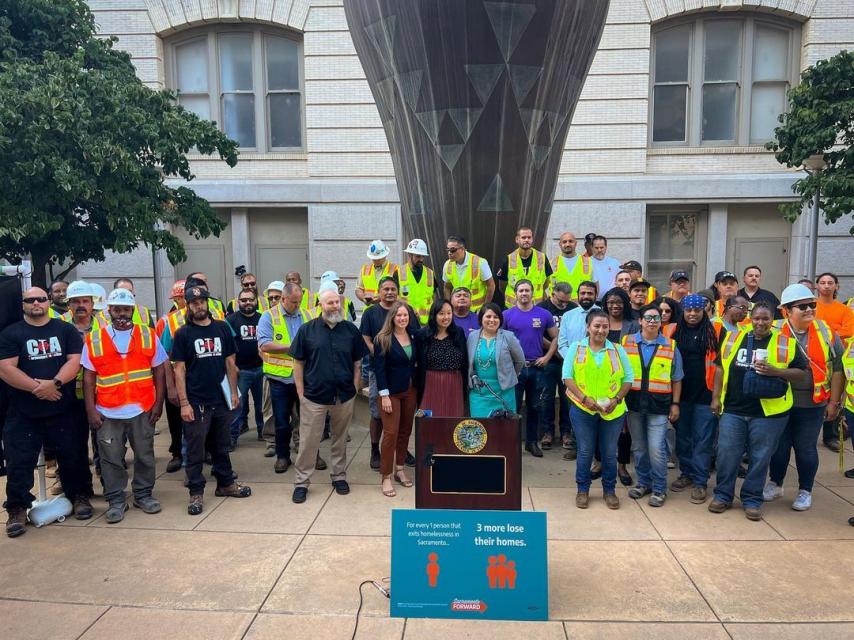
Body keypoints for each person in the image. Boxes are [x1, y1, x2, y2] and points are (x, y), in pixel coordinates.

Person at [0, 287, 89, 537]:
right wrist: (39, 388)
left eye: (41, 299)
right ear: (23, 305)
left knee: (74, 456)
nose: (36, 303)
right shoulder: (11, 333)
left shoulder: (65, 330)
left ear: (48, 302)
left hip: (63, 406)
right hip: (23, 411)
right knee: (19, 463)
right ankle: (17, 509)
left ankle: (79, 496)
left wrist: (55, 384)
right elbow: (6, 368)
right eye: (31, 300)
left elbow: (75, 360)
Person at [709, 302, 808, 521]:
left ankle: (752, 499)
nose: (760, 323)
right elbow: (720, 368)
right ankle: (723, 495)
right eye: (756, 318)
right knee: (727, 454)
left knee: (760, 457)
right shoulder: (734, 338)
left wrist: (776, 371)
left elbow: (802, 373)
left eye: (765, 319)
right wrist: (715, 397)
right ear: (750, 319)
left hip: (770, 413)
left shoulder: (785, 343)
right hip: (734, 408)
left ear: (773, 320)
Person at [82, 288, 166, 523]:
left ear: (133, 310)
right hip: (107, 410)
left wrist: (158, 403)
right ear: (109, 310)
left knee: (145, 455)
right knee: (110, 459)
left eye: (126, 309)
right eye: (117, 309)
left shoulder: (148, 334)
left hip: (142, 407)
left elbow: (159, 369)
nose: (122, 314)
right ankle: (116, 500)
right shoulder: (95, 338)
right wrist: (91, 409)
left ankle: (143, 495)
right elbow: (88, 377)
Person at [172, 285, 251, 516]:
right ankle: (196, 492)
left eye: (202, 302)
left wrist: (234, 393)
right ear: (188, 306)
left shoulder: (221, 329)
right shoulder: (183, 334)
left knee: (222, 445)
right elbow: (178, 370)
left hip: (221, 399)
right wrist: (184, 403)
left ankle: (225, 483)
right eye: (194, 303)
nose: (199, 306)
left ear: (207, 303)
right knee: (196, 450)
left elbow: (230, 363)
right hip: (196, 402)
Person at [764, 284, 844, 510]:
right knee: (779, 446)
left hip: (812, 403)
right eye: (802, 306)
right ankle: (775, 483)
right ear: (787, 311)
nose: (809, 309)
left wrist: (834, 402)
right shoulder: (774, 329)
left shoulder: (826, 332)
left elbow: (837, 369)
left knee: (806, 447)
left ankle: (805, 490)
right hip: (780, 400)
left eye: (812, 305)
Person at [290, 287, 369, 504]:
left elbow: (357, 362)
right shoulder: (307, 330)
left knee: (340, 438)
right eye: (330, 303)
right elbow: (298, 363)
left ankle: (339, 476)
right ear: (320, 305)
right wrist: (300, 392)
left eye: (337, 302)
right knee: (309, 441)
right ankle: (302, 482)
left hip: (344, 395)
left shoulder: (350, 331)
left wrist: (354, 388)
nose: (335, 306)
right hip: (314, 396)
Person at [563, 309, 633, 510]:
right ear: (588, 327)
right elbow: (568, 377)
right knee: (585, 451)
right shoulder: (576, 348)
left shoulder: (618, 350)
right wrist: (584, 399)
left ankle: (609, 491)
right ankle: (582, 490)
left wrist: (616, 399)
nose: (601, 330)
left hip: (613, 410)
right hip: (583, 409)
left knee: (610, 453)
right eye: (597, 326)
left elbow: (628, 378)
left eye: (605, 326)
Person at [624, 304, 684, 507]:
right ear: (640, 321)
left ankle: (659, 488)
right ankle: (644, 483)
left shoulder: (671, 345)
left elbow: (677, 378)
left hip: (659, 406)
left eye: (656, 318)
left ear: (661, 322)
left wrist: (675, 404)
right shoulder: (627, 343)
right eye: (648, 318)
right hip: (633, 405)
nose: (652, 322)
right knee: (639, 448)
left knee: (657, 449)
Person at [665, 294, 720, 503]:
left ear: (704, 311)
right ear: (683, 311)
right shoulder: (671, 330)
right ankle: (686, 473)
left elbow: (720, 367)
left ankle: (700, 481)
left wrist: (716, 396)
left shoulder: (715, 331)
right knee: (683, 437)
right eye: (688, 310)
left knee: (703, 440)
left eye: (697, 310)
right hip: (680, 394)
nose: (692, 314)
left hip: (705, 395)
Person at [361, 277, 418, 470]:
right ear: (379, 291)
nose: (390, 292)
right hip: (380, 371)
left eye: (393, 289)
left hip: (404, 374)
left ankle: (400, 451)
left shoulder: (407, 310)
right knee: (378, 413)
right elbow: (366, 338)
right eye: (385, 289)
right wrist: (381, 354)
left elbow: (415, 336)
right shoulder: (371, 313)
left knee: (402, 419)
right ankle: (375, 449)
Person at [257, 283, 315, 473]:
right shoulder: (268, 316)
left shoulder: (306, 315)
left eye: (299, 302)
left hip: (305, 378)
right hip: (279, 380)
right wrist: (293, 347)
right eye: (293, 302)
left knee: (308, 420)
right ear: (283, 299)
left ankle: (312, 455)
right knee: (281, 421)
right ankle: (283, 456)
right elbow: (264, 344)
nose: (297, 305)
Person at [503, 280, 558, 457]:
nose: (524, 293)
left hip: (537, 367)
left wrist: (547, 357)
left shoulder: (544, 314)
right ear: (515, 293)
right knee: (514, 407)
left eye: (527, 290)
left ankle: (532, 443)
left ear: (533, 292)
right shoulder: (506, 315)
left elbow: (556, 338)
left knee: (535, 407)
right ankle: (511, 444)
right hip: (515, 369)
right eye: (521, 290)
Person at [373, 301, 419, 497]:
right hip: (390, 393)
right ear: (392, 317)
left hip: (410, 391)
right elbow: (379, 370)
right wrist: (384, 395)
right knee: (390, 433)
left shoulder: (414, 336)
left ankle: (400, 468)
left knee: (405, 432)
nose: (402, 318)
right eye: (399, 315)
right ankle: (386, 476)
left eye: (405, 315)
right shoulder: (382, 338)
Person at [63, 281, 100, 498]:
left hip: (98, 393)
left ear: (92, 303)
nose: (81, 305)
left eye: (85, 301)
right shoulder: (58, 326)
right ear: (68, 304)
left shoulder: (104, 326)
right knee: (73, 445)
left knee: (103, 444)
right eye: (76, 301)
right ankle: (81, 490)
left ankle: (107, 482)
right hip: (68, 394)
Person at [538, 283, 578, 452]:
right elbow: (537, 335)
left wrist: (565, 353)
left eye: (566, 301)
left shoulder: (573, 308)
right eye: (561, 301)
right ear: (552, 293)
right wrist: (554, 352)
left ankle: (565, 433)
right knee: (546, 398)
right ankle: (547, 432)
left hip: (568, 360)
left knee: (567, 398)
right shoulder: (542, 308)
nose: (564, 305)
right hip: (549, 360)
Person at [466, 303, 525, 418]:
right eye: (488, 316)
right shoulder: (472, 337)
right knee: (481, 430)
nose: (492, 320)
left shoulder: (508, 336)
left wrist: (509, 375)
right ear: (481, 319)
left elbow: (520, 360)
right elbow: (469, 363)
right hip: (479, 393)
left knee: (503, 431)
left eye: (496, 317)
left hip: (503, 392)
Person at [225, 288, 264, 450]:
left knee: (262, 405)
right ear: (238, 302)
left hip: (261, 369)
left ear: (256, 301)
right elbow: (228, 348)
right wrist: (232, 367)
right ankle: (232, 437)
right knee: (236, 405)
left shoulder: (263, 318)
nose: (247, 302)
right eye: (244, 300)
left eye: (250, 299)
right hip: (241, 371)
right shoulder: (231, 320)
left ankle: (264, 432)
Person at [155, 280, 186, 473]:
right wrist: (169, 386)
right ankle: (177, 452)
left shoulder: (209, 315)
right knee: (175, 419)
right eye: (180, 297)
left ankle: (206, 450)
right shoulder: (166, 321)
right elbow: (162, 355)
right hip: (174, 377)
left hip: (198, 379)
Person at [417, 300, 467, 417]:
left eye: (449, 313)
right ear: (434, 315)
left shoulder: (458, 333)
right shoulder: (423, 335)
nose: (446, 317)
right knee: (430, 421)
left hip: (455, 384)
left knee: (452, 421)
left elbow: (465, 361)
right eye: (441, 313)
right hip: (430, 384)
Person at [496, 227, 552, 308]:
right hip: (513, 308)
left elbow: (546, 282)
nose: (526, 240)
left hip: (536, 307)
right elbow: (502, 286)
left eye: (529, 237)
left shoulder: (542, 258)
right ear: (517, 239)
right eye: (523, 237)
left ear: (532, 239)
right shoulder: (508, 259)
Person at [442, 235, 495, 311]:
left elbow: (491, 286)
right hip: (457, 310)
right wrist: (448, 307)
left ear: (462, 249)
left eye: (453, 250)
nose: (450, 253)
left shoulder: (480, 263)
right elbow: (447, 287)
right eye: (448, 250)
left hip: (476, 310)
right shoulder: (447, 265)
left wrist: (485, 308)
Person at [557, 281, 601, 359]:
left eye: (590, 293)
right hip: (572, 364)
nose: (586, 296)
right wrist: (574, 359)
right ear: (578, 295)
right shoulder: (567, 316)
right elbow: (562, 345)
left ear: (596, 295)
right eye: (583, 293)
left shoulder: (604, 315)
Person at [397, 239, 436, 325]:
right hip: (406, 323)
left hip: (427, 324)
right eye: (418, 256)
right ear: (409, 255)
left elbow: (434, 296)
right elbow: (395, 296)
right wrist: (409, 308)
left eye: (423, 256)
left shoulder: (430, 273)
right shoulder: (399, 273)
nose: (421, 259)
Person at [551, 232, 593, 301]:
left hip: (580, 306)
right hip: (558, 307)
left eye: (571, 241)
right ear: (560, 244)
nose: (568, 244)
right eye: (564, 242)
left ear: (576, 243)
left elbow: (596, 287)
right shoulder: (551, 263)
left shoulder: (589, 262)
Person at [356, 240, 397, 306]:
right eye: (373, 258)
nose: (375, 260)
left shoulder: (395, 269)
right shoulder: (365, 269)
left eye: (378, 258)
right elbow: (359, 289)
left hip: (389, 311)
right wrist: (363, 298)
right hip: (369, 312)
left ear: (385, 255)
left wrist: (383, 297)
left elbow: (400, 293)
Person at [815, 272, 854, 340]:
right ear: (817, 286)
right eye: (823, 283)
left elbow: (849, 331)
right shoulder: (809, 307)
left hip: (837, 349)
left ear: (836, 286)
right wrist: (835, 328)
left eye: (830, 283)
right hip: (811, 347)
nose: (826, 286)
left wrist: (827, 335)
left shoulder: (845, 310)